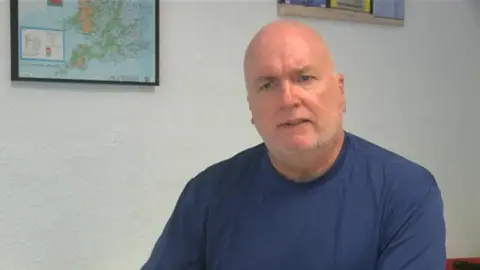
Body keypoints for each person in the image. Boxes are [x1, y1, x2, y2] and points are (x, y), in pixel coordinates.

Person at [141, 19, 446, 270]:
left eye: (304, 78)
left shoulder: (406, 192)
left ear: (340, 92)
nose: (288, 99)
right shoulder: (207, 194)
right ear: (251, 108)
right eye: (268, 84)